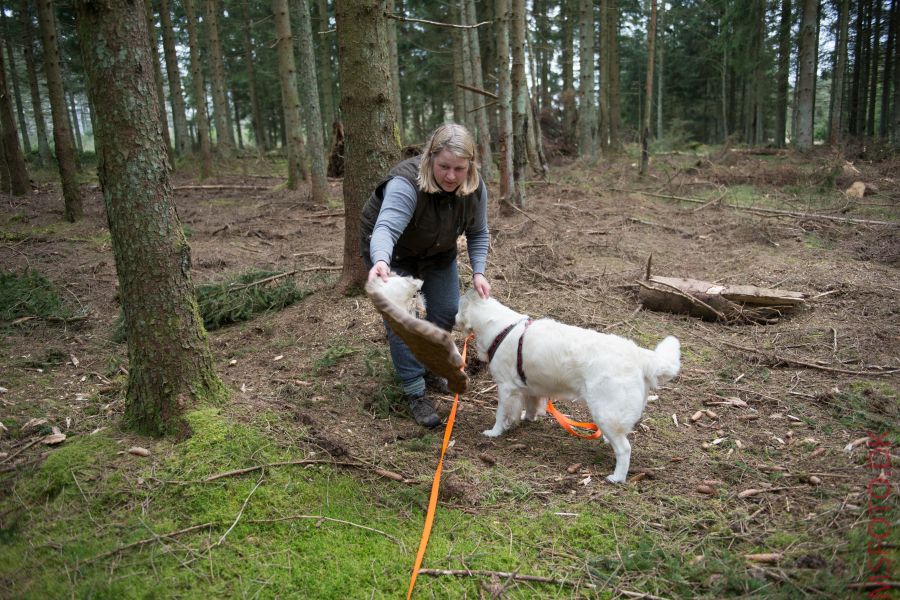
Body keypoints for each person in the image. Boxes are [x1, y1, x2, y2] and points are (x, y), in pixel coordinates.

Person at [360, 123, 491, 428]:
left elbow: (478, 231)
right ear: (430, 158)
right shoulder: (405, 185)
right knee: (404, 321)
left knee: (446, 309)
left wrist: (479, 272)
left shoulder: (474, 189)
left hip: (437, 250)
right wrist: (379, 260)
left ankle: (431, 365)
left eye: (459, 168)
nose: (450, 176)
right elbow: (386, 228)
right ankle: (415, 390)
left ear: (470, 166)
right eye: (444, 166)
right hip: (392, 253)